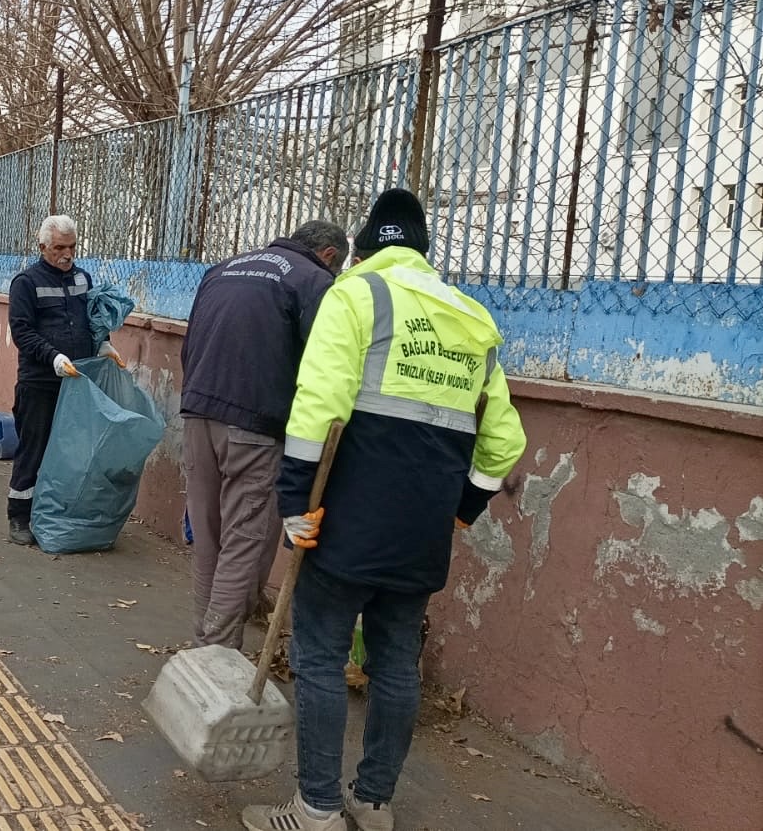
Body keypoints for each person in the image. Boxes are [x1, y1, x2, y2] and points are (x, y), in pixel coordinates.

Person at [243, 189, 527, 831]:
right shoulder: (474, 319)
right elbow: (505, 440)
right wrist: (465, 509)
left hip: (344, 521)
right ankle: (374, 804)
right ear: (424, 252)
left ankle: (316, 809)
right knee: (396, 661)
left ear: (364, 250)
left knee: (319, 654)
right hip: (424, 529)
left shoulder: (356, 296)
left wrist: (295, 504)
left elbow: (320, 405)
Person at [179, 220, 348, 651]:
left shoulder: (223, 269)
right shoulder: (314, 281)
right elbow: (323, 364)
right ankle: (215, 654)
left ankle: (203, 642)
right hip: (255, 425)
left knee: (209, 538)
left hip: (197, 412)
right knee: (243, 541)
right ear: (329, 255)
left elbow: (189, 344)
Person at [4, 215, 123, 546]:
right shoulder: (26, 283)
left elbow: (91, 319)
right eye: (59, 248)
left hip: (77, 381)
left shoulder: (83, 279)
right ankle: (19, 516)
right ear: (42, 247)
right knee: (34, 448)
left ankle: (56, 514)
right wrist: (53, 357)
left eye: (72, 247)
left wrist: (103, 343)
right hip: (39, 382)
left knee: (72, 452)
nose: (67, 254)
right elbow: (22, 331)